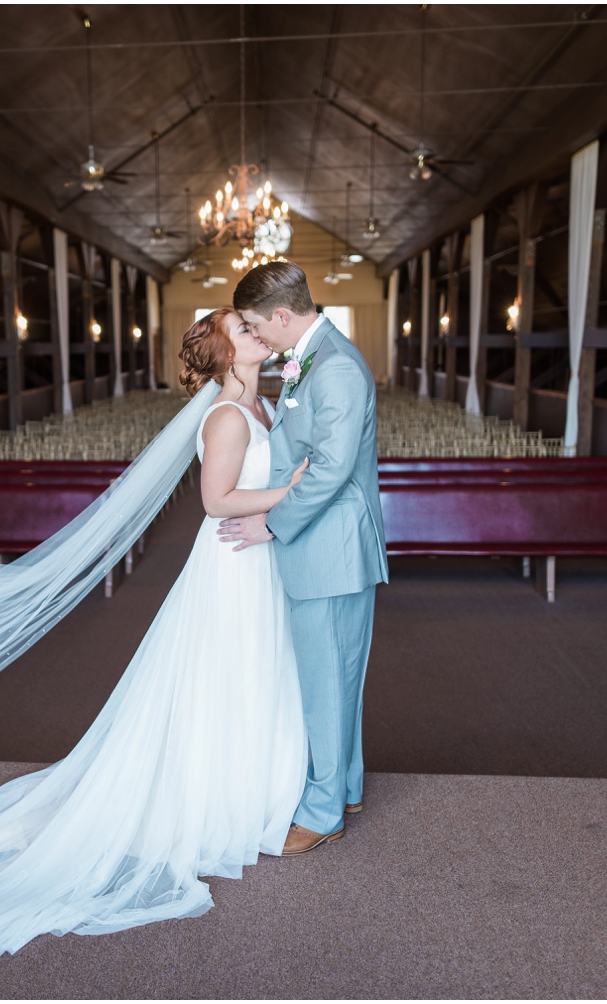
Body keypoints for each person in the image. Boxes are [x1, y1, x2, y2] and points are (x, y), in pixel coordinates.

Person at [0, 307, 310, 972]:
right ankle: (222, 797)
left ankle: (252, 785)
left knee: (253, 672)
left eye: (253, 324)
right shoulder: (226, 413)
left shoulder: (262, 403)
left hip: (257, 557)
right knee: (228, 670)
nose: (254, 330)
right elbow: (217, 500)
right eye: (240, 328)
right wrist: (291, 491)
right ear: (225, 353)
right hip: (232, 558)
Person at [218, 261, 389, 855]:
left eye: (256, 326)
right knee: (335, 679)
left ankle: (322, 814)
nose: (257, 337)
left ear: (284, 316)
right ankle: (345, 787)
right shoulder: (312, 355)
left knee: (326, 684)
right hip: (326, 547)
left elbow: (333, 470)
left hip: (330, 548)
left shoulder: (335, 367)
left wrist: (272, 521)